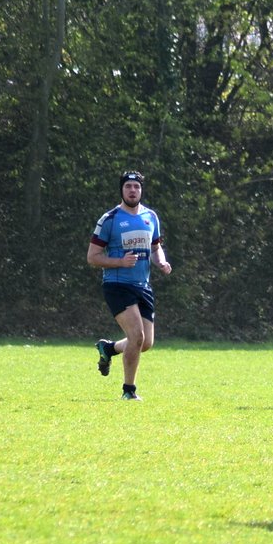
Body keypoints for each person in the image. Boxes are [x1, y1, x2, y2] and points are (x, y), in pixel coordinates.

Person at [89, 171, 171, 400]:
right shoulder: (110, 219)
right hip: (117, 285)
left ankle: (109, 348)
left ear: (141, 190)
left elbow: (155, 248)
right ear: (121, 190)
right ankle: (129, 391)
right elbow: (92, 257)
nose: (132, 190)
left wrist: (161, 262)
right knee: (136, 336)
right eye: (128, 186)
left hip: (142, 286)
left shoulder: (150, 217)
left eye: (136, 186)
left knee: (145, 343)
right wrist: (120, 262)